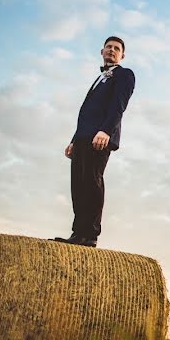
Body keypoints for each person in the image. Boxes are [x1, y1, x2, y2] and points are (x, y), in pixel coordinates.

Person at [53, 36, 135, 247]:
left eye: (116, 48)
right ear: (102, 51)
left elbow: (118, 105)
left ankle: (90, 235)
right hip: (82, 138)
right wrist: (74, 139)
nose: (112, 50)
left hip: (100, 137)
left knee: (91, 181)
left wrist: (106, 131)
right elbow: (86, 112)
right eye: (108, 47)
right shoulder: (99, 78)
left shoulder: (125, 75)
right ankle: (78, 233)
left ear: (122, 55)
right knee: (78, 185)